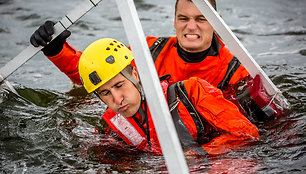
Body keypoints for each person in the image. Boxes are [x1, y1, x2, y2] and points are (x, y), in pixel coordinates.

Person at [30, 0, 289, 124]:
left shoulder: (237, 70)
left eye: (201, 18)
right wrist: (55, 50)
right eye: (183, 18)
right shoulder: (149, 50)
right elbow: (97, 77)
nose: (190, 27)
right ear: (174, 21)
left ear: (216, 22)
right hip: (146, 134)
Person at [77, 38, 259, 155]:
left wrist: (199, 154)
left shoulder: (192, 92)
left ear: (135, 74)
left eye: (119, 85)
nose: (117, 100)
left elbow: (247, 134)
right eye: (105, 93)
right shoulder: (111, 127)